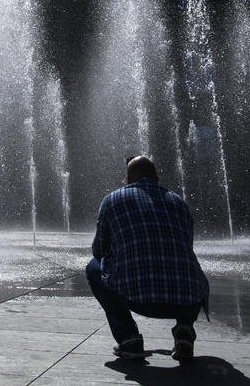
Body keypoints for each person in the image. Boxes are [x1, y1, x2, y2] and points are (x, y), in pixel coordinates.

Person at [87, 155, 209, 363]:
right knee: (188, 268)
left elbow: (99, 250)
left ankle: (129, 338)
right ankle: (184, 330)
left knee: (94, 268)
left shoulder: (112, 200)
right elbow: (187, 247)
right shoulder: (178, 202)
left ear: (128, 179)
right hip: (186, 301)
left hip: (137, 298)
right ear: (156, 178)